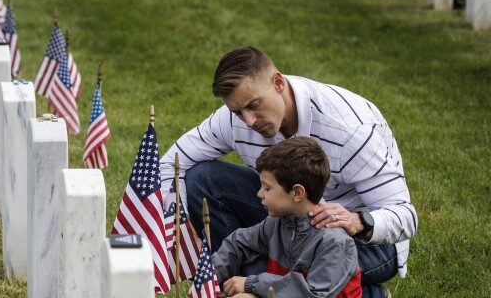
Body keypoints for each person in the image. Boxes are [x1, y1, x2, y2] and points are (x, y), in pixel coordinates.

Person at [159, 46, 417, 297]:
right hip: (288, 222)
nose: (249, 121)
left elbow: (406, 217)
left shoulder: (350, 130)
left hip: (360, 243)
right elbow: (170, 165)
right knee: (203, 179)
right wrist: (162, 231)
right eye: (238, 112)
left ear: (278, 83)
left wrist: (356, 221)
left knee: (268, 274)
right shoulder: (234, 119)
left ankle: (358, 291)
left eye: (254, 105)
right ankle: (242, 280)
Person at [213, 137, 361, 297]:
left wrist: (250, 284)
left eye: (267, 188)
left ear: (297, 193)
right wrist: (211, 275)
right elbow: (239, 242)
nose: (259, 194)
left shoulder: (335, 242)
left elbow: (313, 294)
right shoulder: (276, 224)